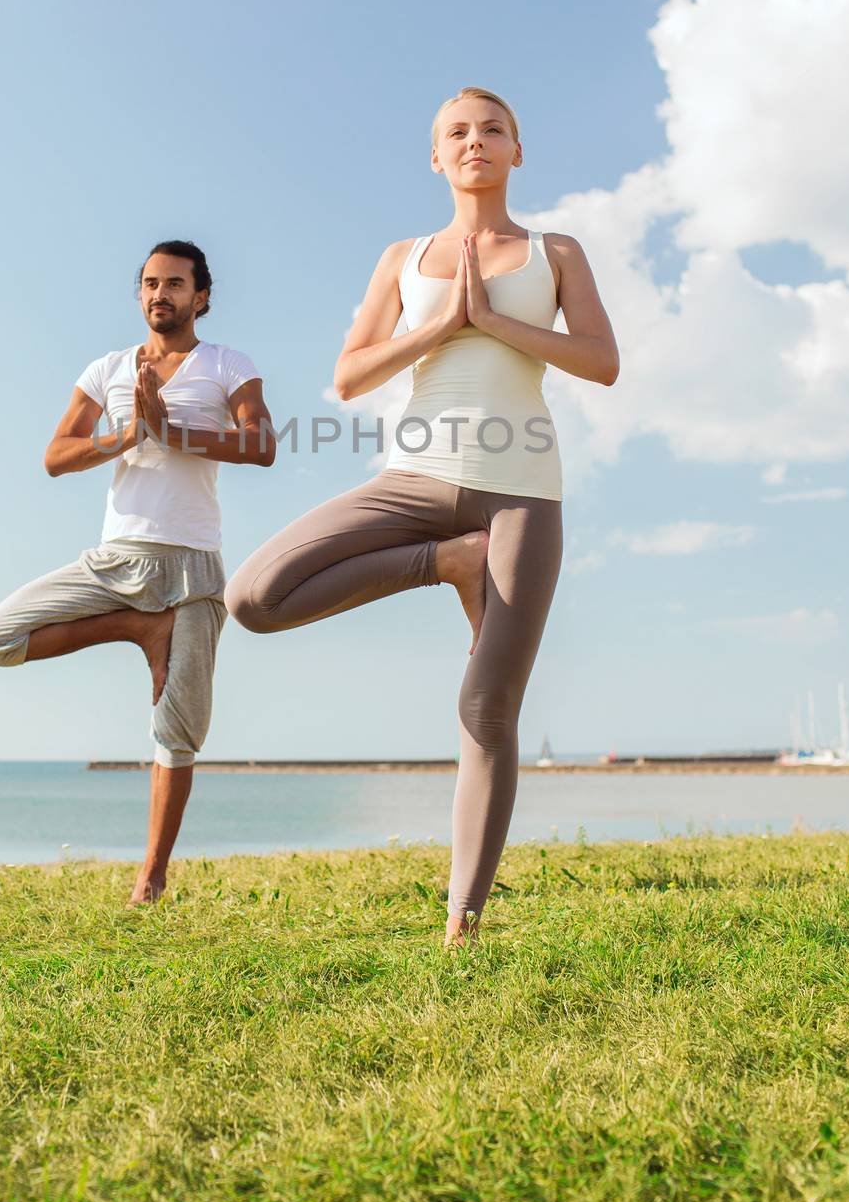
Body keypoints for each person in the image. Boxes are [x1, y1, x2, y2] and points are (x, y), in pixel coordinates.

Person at [224, 87, 618, 946]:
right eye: (455, 133)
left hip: (521, 492)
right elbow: (350, 376)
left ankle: (460, 925)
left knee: (486, 708)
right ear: (434, 158)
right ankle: (447, 562)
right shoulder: (402, 256)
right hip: (416, 482)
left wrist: (497, 325)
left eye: (491, 129)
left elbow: (601, 361)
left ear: (518, 149)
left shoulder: (555, 251)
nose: (474, 141)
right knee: (253, 596)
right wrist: (440, 323)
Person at [0, 239, 275, 904]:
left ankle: (151, 877)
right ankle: (137, 627)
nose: (158, 294)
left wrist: (173, 434)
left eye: (173, 283)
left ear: (202, 297)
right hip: (115, 560)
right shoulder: (106, 368)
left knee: (179, 732)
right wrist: (127, 436)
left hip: (192, 566)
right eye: (148, 284)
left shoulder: (227, 364)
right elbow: (56, 455)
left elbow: (261, 444)